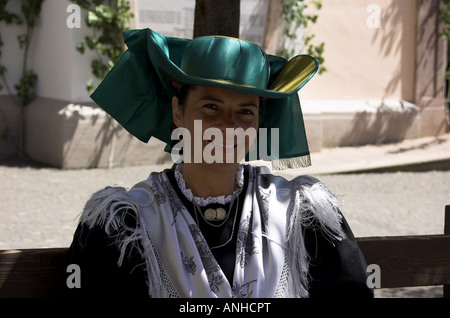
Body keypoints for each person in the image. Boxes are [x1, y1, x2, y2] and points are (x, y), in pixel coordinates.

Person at [65, 28, 373, 298]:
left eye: (245, 112)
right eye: (211, 107)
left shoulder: (301, 214)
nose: (229, 126)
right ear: (177, 112)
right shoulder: (125, 225)